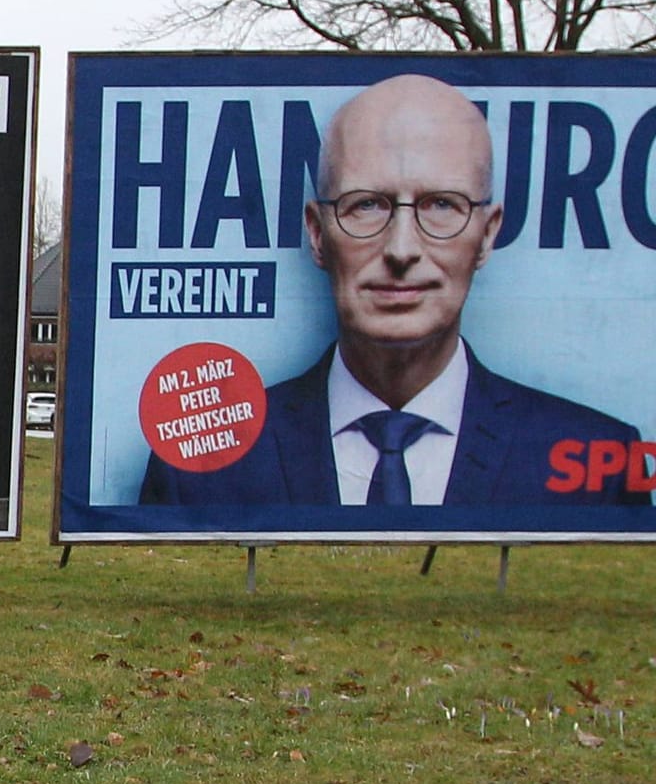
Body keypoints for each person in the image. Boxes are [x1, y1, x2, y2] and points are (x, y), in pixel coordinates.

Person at [141, 73, 644, 506]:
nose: (402, 249)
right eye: (367, 205)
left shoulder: (596, 458)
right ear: (318, 234)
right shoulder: (202, 465)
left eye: (441, 205)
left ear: (487, 235)